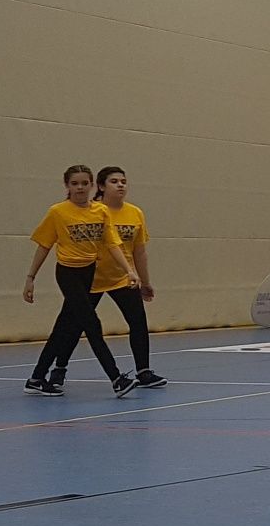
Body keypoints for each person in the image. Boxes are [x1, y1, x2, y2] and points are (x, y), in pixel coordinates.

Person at [23, 164, 138, 398]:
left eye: (85, 183)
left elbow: (112, 243)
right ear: (67, 185)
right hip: (68, 273)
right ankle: (116, 378)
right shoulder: (58, 212)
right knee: (92, 324)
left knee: (63, 326)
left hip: (88, 272)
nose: (80, 188)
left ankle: (36, 378)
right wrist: (30, 278)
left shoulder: (100, 211)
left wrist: (129, 270)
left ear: (92, 185)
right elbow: (44, 245)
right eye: (75, 184)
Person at [47, 166, 164, 390]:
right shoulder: (93, 211)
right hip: (90, 278)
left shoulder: (135, 213)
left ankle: (144, 371)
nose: (120, 185)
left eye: (123, 181)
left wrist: (145, 280)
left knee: (138, 321)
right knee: (75, 325)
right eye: (114, 181)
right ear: (100, 186)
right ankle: (59, 369)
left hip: (121, 278)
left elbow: (139, 251)